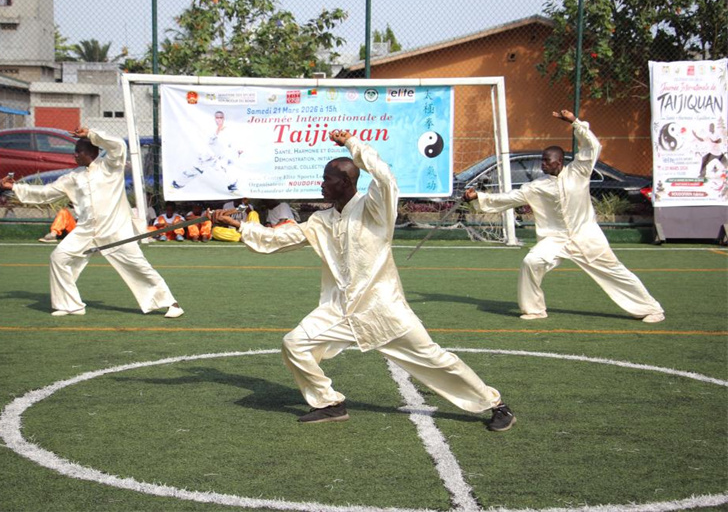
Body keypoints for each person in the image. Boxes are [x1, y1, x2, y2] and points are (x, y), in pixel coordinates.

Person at [213, 129, 514, 431]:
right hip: (340, 310)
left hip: (385, 310)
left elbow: (384, 177)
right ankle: (329, 403)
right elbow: (276, 240)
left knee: (435, 359)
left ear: (344, 182)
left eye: (326, 179)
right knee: (294, 344)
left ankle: (495, 405)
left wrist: (352, 144)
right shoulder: (321, 220)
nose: (320, 185)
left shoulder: (374, 209)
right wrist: (238, 226)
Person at [464, 109, 665, 323]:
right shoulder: (536, 187)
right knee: (531, 261)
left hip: (586, 236)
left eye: (546, 161)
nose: (542, 164)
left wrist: (575, 123)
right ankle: (534, 309)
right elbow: (508, 198)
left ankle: (651, 309)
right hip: (555, 238)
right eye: (542, 160)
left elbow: (592, 147)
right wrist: (479, 196)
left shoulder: (579, 172)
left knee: (614, 271)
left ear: (559, 162)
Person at [0, 127, 184, 319]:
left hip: (116, 230)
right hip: (86, 231)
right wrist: (14, 187)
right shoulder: (73, 177)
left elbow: (118, 145)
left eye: (79, 151)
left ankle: (171, 303)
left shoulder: (110, 166)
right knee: (58, 258)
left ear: (92, 152)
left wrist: (90, 134)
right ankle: (70, 305)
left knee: (138, 266)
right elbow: (46, 193)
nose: (75, 155)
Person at [172, 110, 245, 193]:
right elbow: (207, 141)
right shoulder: (209, 128)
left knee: (223, 170)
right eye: (217, 117)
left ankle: (232, 185)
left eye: (221, 117)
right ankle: (178, 183)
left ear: (223, 118)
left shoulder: (227, 129)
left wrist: (238, 149)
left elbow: (230, 142)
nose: (219, 119)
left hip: (217, 157)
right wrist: (217, 131)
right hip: (207, 156)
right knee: (195, 170)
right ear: (215, 118)